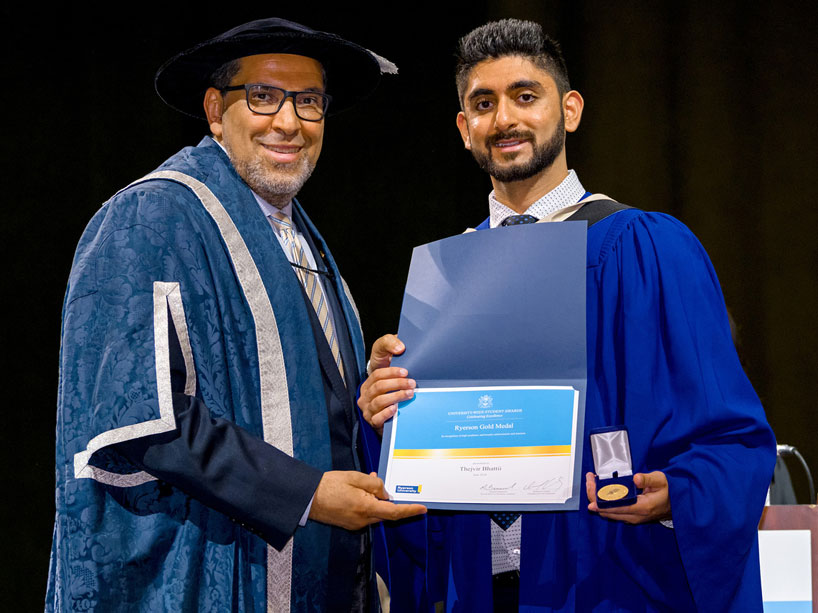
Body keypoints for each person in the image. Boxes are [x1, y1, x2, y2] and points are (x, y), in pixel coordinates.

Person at [358, 19, 775, 612]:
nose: (504, 119)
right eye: (483, 104)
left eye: (525, 96)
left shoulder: (648, 248)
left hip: (611, 580)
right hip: (479, 588)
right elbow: (416, 478)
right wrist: (384, 416)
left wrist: (678, 493)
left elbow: (733, 439)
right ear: (463, 128)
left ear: (570, 109)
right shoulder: (442, 276)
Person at [46, 17, 424, 612]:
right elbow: (143, 418)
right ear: (216, 111)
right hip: (203, 576)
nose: (289, 122)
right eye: (264, 97)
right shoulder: (151, 217)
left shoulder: (302, 241)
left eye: (309, 102)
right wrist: (309, 496)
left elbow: (306, 416)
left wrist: (366, 395)